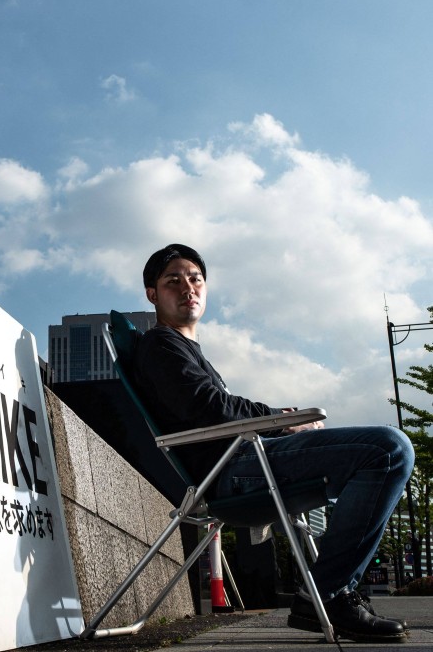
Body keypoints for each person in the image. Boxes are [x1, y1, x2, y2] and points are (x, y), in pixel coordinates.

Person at [132, 243, 414, 643]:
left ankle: (327, 591)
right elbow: (210, 408)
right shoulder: (160, 345)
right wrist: (280, 423)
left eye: (195, 279)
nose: (187, 288)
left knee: (380, 457)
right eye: (172, 281)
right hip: (235, 473)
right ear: (153, 295)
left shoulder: (187, 350)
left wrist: (279, 423)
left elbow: (217, 406)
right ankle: (328, 593)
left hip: (247, 463)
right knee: (388, 448)